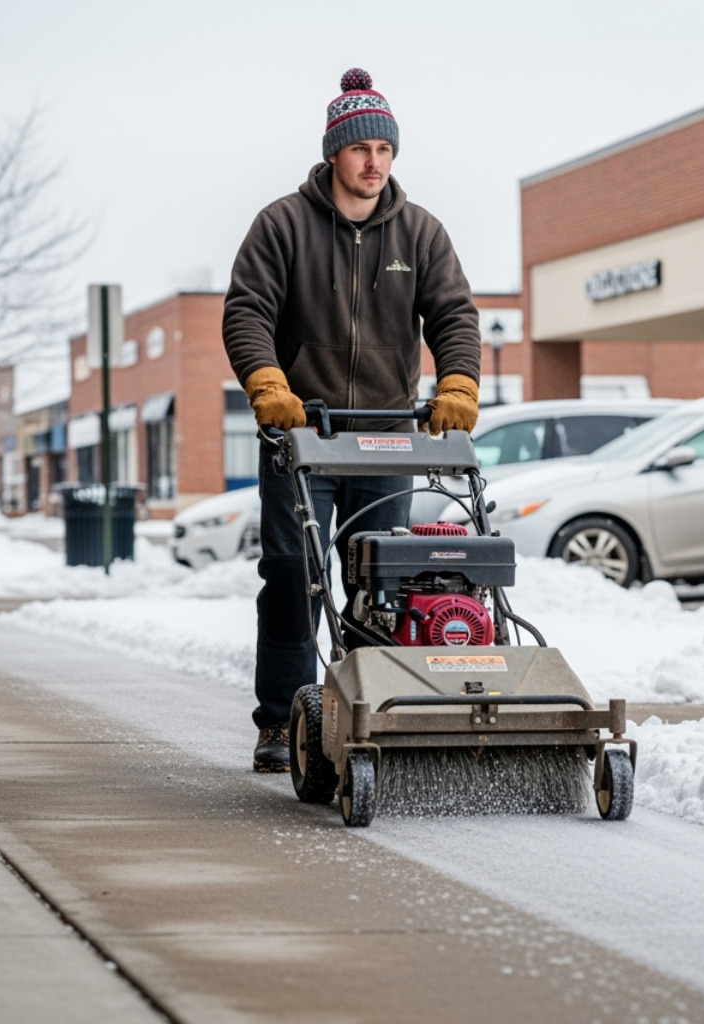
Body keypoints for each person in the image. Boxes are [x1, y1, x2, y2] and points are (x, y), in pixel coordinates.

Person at [222, 68, 482, 772]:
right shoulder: (283, 225)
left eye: (385, 150)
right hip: (304, 435)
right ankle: (280, 721)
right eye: (362, 148)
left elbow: (455, 315)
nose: (375, 163)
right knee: (290, 572)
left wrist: (457, 381)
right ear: (335, 151)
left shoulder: (420, 233)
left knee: (379, 576)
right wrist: (269, 383)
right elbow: (247, 311)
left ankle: (366, 714)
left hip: (386, 438)